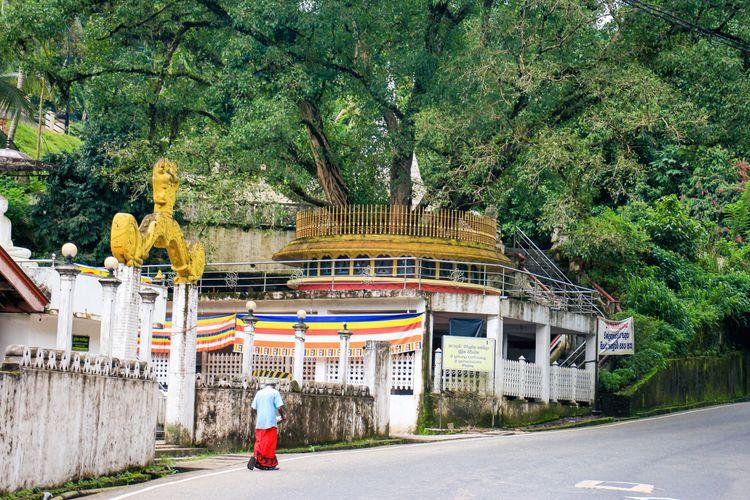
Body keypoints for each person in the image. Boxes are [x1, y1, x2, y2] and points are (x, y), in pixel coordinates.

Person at [248, 380, 286, 470]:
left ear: (265, 385)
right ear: (274, 385)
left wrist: (261, 414)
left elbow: (253, 408)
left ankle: (256, 456)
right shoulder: (275, 392)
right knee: (269, 443)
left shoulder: (259, 393)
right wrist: (283, 416)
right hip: (271, 422)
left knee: (260, 441)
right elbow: (279, 407)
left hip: (260, 422)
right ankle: (265, 464)